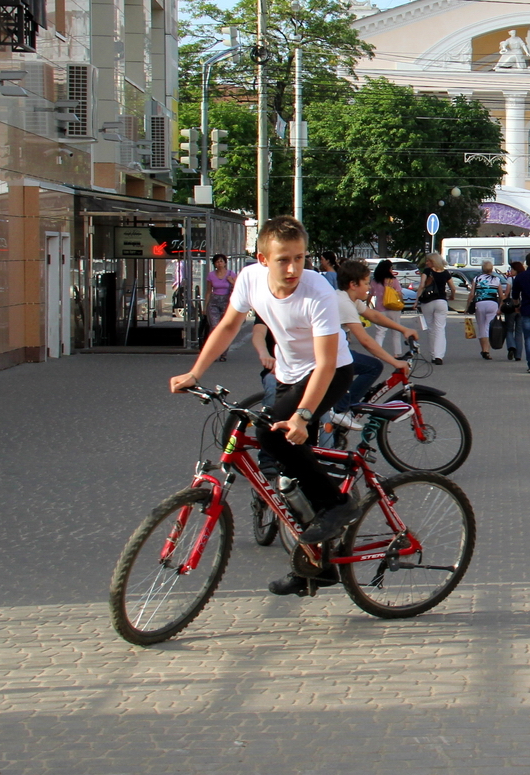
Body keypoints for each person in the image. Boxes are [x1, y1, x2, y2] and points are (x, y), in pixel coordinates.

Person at [170, 216, 358, 596]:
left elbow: (324, 363)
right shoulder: (250, 280)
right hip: (289, 373)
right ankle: (315, 564)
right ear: (261, 259)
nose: (292, 269)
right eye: (283, 260)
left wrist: (304, 416)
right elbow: (226, 326)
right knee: (288, 466)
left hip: (332, 371)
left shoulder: (317, 291)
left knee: (272, 436)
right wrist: (195, 373)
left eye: (300, 258)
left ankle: (336, 505)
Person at [327, 259, 414, 429]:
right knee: (373, 366)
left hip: (335, 349)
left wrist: (403, 329)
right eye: (366, 283)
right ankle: (341, 410)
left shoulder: (349, 299)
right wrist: (395, 362)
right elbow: (365, 340)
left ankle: (343, 408)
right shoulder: (344, 303)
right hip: (329, 353)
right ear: (353, 284)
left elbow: (374, 316)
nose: (369, 287)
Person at [416, 253, 454, 365]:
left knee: (431, 328)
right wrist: (452, 296)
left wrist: (416, 299)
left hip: (427, 301)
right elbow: (453, 287)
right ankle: (439, 356)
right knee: (440, 328)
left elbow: (422, 285)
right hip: (441, 301)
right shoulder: (446, 273)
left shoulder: (427, 272)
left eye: (428, 261)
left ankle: (433, 354)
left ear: (433, 261)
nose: (426, 263)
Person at [471, 259, 510, 360]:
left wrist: (467, 307)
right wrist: (501, 306)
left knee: (481, 327)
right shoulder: (496, 279)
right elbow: (501, 296)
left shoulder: (477, 278)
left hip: (479, 303)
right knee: (489, 327)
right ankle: (487, 351)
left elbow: (472, 294)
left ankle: (484, 349)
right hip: (492, 304)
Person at [369, 260, 408, 357]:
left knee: (380, 332)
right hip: (393, 308)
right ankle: (397, 354)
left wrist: (368, 305)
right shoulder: (393, 280)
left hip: (380, 309)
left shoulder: (374, 281)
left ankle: (377, 354)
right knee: (396, 332)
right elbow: (399, 293)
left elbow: (370, 294)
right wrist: (402, 302)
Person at [204, 254, 236, 361]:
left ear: (225, 263)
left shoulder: (231, 274)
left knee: (225, 328)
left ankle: (223, 353)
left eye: (221, 261)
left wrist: (232, 281)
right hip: (214, 301)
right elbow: (208, 291)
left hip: (226, 302)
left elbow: (239, 288)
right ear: (214, 264)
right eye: (217, 262)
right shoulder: (211, 275)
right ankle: (212, 352)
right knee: (214, 327)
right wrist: (205, 306)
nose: (219, 263)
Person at [502, 260, 525, 362]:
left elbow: (506, 293)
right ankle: (518, 355)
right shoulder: (525, 278)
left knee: (509, 329)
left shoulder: (510, 279)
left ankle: (511, 346)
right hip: (522, 306)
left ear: (516, 270)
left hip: (511, 305)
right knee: (519, 331)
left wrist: (500, 306)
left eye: (512, 269)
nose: (510, 271)